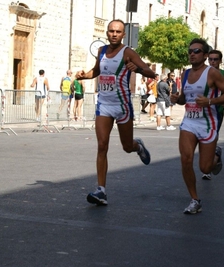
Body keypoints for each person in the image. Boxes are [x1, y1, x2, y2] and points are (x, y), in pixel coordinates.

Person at [75, 19, 155, 206]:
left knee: (127, 146)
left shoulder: (128, 52)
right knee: (102, 146)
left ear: (123, 34)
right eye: (111, 31)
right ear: (107, 32)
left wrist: (139, 69)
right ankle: (101, 190)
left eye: (117, 32)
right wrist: (83, 75)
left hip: (122, 105)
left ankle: (138, 146)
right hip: (104, 104)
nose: (114, 34)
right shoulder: (101, 51)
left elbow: (151, 73)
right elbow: (96, 71)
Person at [170, 38, 224, 214]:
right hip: (189, 122)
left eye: (196, 51)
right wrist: (177, 99)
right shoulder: (185, 74)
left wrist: (211, 101)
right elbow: (184, 99)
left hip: (208, 122)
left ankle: (216, 157)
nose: (192, 53)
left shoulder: (212, 73)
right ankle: (194, 199)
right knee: (185, 159)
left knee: (205, 168)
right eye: (190, 51)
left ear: (205, 55)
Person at [201, 49, 224, 180]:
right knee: (203, 139)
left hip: (216, 112)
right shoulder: (202, 74)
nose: (213, 62)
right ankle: (216, 153)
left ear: (220, 61)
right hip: (201, 112)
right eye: (210, 59)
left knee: (211, 137)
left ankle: (207, 169)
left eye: (215, 59)